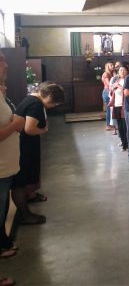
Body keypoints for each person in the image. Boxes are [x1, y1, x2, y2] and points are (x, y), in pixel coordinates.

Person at [12, 82, 65, 225]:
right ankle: (24, 215)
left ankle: (30, 196)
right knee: (20, 181)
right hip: (24, 146)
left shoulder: (31, 100)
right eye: (54, 102)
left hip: (24, 145)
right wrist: (43, 130)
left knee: (28, 174)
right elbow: (29, 129)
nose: (53, 106)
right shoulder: (35, 105)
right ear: (48, 95)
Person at [0, 51, 25, 261]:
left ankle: (3, 243)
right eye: (1, 61)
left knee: (3, 209)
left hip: (6, 166)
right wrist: (15, 125)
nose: (6, 65)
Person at [110, 65, 128, 151]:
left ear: (127, 71)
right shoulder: (117, 80)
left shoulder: (128, 80)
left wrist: (120, 87)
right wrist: (113, 87)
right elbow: (111, 92)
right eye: (120, 70)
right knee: (120, 126)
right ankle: (123, 143)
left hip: (124, 105)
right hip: (116, 105)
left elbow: (126, 92)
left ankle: (126, 144)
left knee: (125, 126)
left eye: (124, 70)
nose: (122, 72)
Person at [101, 61, 114, 131]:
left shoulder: (112, 73)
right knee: (109, 109)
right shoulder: (106, 74)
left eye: (113, 65)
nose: (113, 66)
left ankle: (112, 124)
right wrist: (115, 85)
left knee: (112, 109)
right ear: (107, 67)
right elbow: (108, 83)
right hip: (107, 92)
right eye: (111, 65)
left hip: (111, 92)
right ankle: (108, 125)